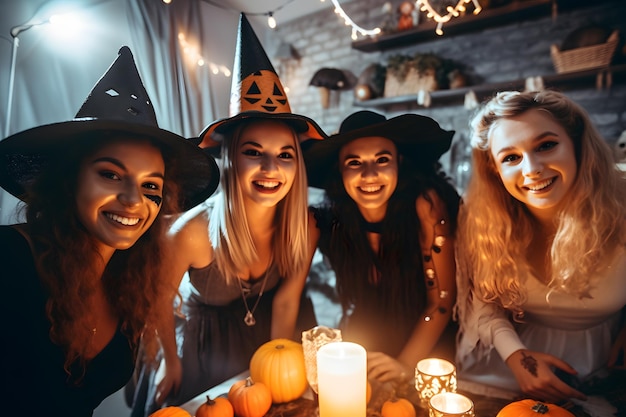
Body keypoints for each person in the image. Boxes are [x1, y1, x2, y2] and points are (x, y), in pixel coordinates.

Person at [0, 46, 219, 417]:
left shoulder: (131, 280)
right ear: (69, 180)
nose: (134, 200)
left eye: (152, 187)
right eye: (111, 175)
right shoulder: (9, 260)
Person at [126, 14, 326, 416]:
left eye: (285, 155)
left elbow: (286, 302)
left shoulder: (305, 225)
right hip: (200, 346)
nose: (271, 168)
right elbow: (159, 301)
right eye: (254, 152)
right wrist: (170, 358)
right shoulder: (192, 232)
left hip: (266, 339)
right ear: (229, 158)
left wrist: (277, 363)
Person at [455, 90, 626, 410]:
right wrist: (517, 358)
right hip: (510, 357)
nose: (532, 168)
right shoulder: (482, 221)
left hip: (605, 363)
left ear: (576, 146)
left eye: (546, 145)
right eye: (510, 157)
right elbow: (484, 307)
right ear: (495, 170)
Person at [303, 110, 460, 383]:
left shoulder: (426, 206)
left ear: (399, 163)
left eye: (382, 160)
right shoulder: (327, 221)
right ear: (339, 171)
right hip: (364, 342)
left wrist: (404, 364)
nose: (370, 174)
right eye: (354, 163)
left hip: (428, 346)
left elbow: (442, 304)